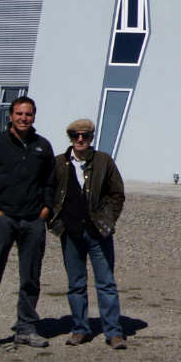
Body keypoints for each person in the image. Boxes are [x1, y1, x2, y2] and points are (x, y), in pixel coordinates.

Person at [0, 96, 55, 353]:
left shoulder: (42, 146)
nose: (23, 118)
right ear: (10, 116)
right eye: (19, 113)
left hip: (33, 221)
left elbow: (50, 182)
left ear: (34, 117)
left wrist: (46, 210)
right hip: (2, 220)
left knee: (31, 277)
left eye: (28, 114)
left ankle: (26, 328)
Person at [47, 118, 128, 349]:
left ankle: (113, 331)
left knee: (106, 283)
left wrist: (107, 220)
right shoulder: (59, 164)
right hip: (70, 233)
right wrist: (54, 219)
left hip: (98, 233)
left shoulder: (104, 161)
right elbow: (49, 193)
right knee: (75, 284)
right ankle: (80, 329)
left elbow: (117, 194)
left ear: (92, 137)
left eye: (85, 135)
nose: (80, 139)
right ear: (70, 137)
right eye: (75, 135)